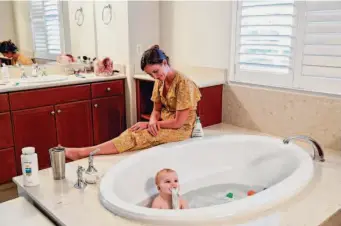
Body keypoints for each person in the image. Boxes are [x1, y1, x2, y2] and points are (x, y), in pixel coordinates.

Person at [64, 45, 202, 160]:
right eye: (150, 74)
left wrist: (150, 124)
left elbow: (178, 122)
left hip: (181, 130)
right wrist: (152, 122)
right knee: (134, 130)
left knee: (140, 135)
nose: (155, 76)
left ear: (164, 63)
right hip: (164, 124)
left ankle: (83, 152)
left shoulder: (184, 84)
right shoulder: (160, 80)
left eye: (156, 71)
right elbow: (156, 109)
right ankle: (89, 151)